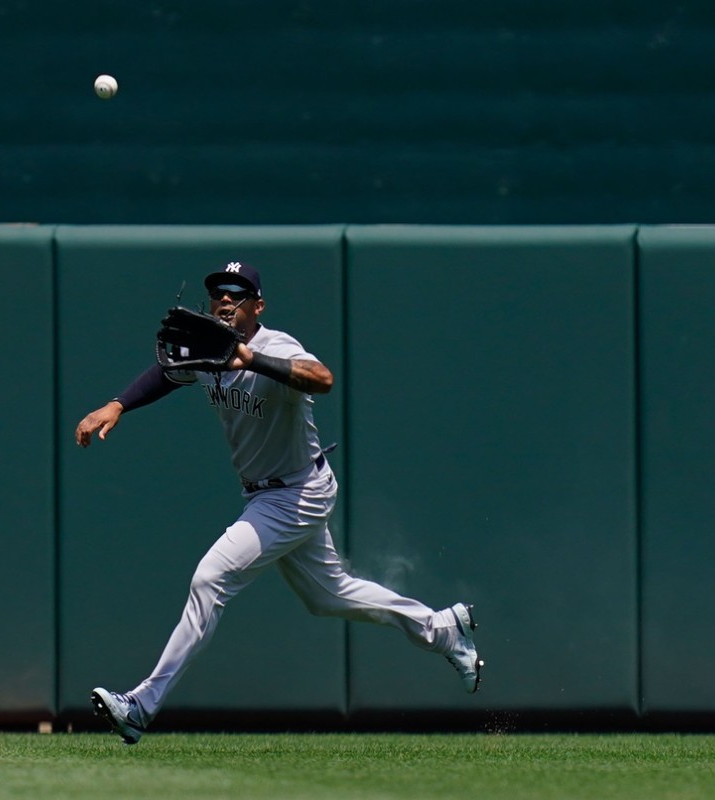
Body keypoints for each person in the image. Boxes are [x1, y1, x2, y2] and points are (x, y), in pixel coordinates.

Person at [74, 261, 483, 745]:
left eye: (238, 293)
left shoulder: (274, 346)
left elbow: (322, 378)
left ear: (258, 306)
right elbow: (168, 372)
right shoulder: (207, 348)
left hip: (296, 491)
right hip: (270, 491)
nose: (225, 299)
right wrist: (118, 403)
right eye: (218, 292)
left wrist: (250, 359)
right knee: (328, 595)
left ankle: (141, 705)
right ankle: (442, 628)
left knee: (211, 577)